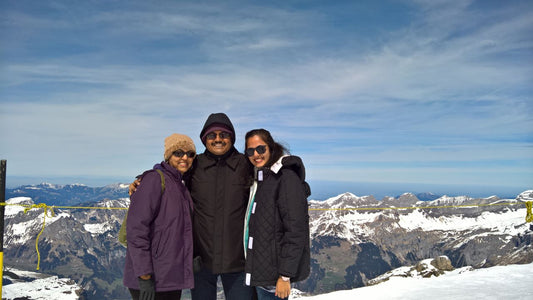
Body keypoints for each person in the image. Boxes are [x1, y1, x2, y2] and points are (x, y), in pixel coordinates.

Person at [130, 113, 254, 300]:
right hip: (200, 261)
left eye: (224, 134)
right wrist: (143, 179)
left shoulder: (246, 165)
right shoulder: (195, 164)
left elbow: (270, 174)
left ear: (232, 138)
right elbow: (170, 172)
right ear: (205, 139)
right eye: (212, 135)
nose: (218, 139)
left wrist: (294, 172)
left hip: (238, 263)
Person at [123, 133, 196, 300]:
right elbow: (136, 229)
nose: (184, 157)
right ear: (168, 156)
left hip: (170, 278)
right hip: (152, 277)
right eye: (178, 153)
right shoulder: (154, 180)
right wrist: (144, 275)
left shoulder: (180, 185)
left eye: (190, 154)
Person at [242, 129, 311, 300]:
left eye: (261, 148)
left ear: (271, 148)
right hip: (259, 274)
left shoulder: (286, 177)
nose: (256, 154)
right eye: (250, 151)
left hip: (273, 280)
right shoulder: (261, 177)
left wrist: (285, 276)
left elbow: (296, 230)